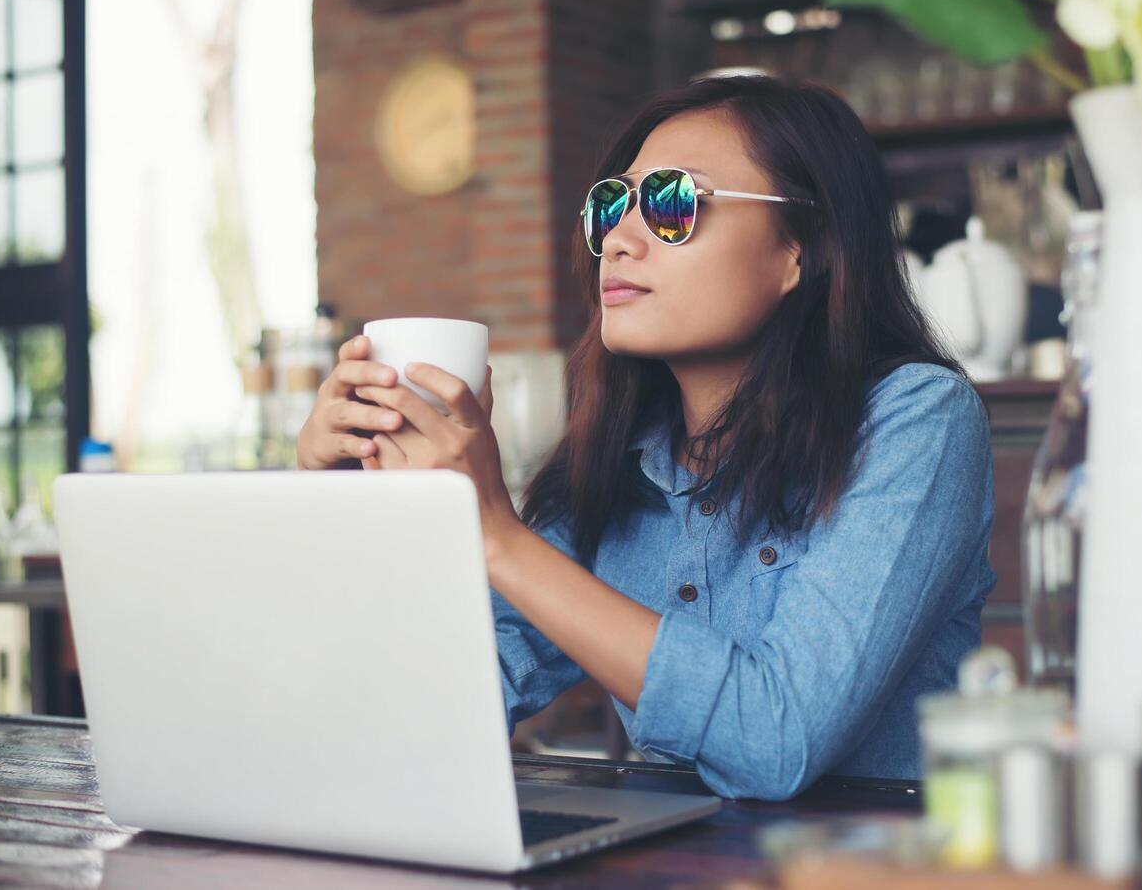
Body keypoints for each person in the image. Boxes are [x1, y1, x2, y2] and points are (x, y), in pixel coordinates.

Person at [296, 75, 995, 800]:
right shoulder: (619, 463)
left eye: (672, 203)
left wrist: (498, 536)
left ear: (799, 251)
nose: (619, 242)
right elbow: (427, 704)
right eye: (610, 206)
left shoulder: (916, 419)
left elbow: (777, 739)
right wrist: (342, 499)